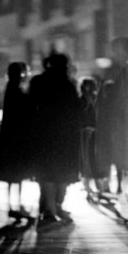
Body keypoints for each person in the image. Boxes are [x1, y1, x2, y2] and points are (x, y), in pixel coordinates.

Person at [28, 52, 82, 227]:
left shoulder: (37, 82)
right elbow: (75, 112)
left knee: (46, 173)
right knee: (63, 173)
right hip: (65, 136)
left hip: (42, 134)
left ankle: (48, 207)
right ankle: (57, 206)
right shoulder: (67, 85)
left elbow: (32, 107)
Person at [95, 37, 128, 200]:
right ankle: (108, 185)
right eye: (120, 49)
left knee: (125, 154)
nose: (123, 53)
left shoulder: (127, 70)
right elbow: (106, 96)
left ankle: (122, 185)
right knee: (113, 152)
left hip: (126, 119)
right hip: (114, 120)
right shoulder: (112, 72)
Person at [0, 62, 34, 221]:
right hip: (17, 137)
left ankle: (13, 206)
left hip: (9, 136)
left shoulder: (9, 89)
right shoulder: (17, 90)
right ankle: (17, 206)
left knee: (12, 176)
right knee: (18, 173)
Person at [78, 76, 101, 196]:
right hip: (86, 133)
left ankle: (88, 184)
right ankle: (86, 184)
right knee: (86, 157)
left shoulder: (90, 99)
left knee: (90, 157)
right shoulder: (84, 101)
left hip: (91, 132)